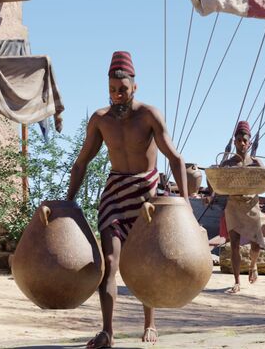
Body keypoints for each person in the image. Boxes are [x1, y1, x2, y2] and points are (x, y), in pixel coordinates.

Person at [67, 51, 189, 347]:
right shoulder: (100, 120)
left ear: (134, 86)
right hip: (115, 193)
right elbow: (81, 162)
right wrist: (67, 202)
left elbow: (175, 158)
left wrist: (184, 203)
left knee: (147, 262)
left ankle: (150, 323)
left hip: (147, 195)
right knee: (110, 261)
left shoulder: (148, 115)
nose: (117, 95)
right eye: (112, 90)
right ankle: (107, 331)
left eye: (122, 89)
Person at [220, 121, 265, 294]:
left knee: (256, 244)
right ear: (234, 142)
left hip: (252, 205)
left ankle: (253, 266)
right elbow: (217, 185)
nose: (242, 143)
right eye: (239, 140)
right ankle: (237, 280)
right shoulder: (227, 165)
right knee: (235, 245)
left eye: (245, 140)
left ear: (249, 141)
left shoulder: (257, 164)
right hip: (233, 206)